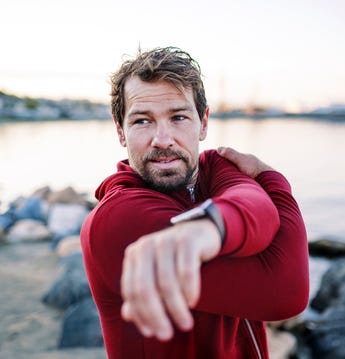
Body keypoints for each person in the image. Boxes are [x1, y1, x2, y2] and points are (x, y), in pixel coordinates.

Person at [80, 47, 309, 359]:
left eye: (178, 117)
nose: (162, 139)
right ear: (121, 132)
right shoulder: (118, 219)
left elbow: (254, 202)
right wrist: (273, 181)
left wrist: (210, 226)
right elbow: (286, 294)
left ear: (203, 123)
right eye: (142, 121)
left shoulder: (214, 167)